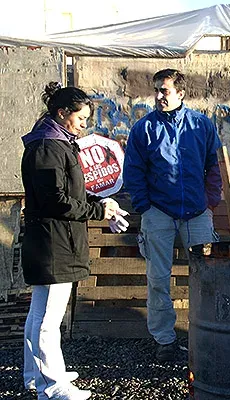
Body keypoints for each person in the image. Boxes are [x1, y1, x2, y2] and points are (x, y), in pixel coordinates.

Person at [21, 83, 123, 400]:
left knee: (38, 316)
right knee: (48, 320)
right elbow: (57, 201)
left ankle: (36, 376)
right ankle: (53, 387)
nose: (84, 125)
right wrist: (97, 209)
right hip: (54, 242)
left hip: (55, 239)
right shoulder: (48, 148)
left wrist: (103, 204)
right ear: (62, 113)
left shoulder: (57, 143)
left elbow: (71, 192)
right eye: (81, 118)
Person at [123, 69, 222, 362]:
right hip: (159, 213)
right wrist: (144, 206)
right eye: (156, 90)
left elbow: (213, 166)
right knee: (157, 278)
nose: (158, 96)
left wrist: (210, 202)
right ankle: (164, 340)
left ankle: (206, 334)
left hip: (196, 213)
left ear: (180, 93)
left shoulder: (201, 126)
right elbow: (134, 171)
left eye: (164, 91)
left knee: (206, 277)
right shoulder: (144, 128)